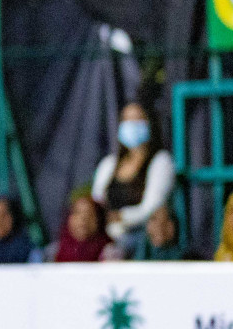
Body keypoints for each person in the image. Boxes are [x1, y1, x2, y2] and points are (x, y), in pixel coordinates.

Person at [91, 102, 174, 254]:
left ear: (150, 124)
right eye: (127, 120)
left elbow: (151, 208)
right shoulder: (109, 164)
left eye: (137, 120)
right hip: (106, 237)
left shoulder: (161, 161)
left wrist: (120, 217)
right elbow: (96, 201)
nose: (132, 125)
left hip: (140, 239)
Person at [52, 192, 110, 263]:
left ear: (100, 220)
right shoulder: (52, 254)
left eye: (89, 214)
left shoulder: (111, 255)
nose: (83, 219)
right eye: (77, 213)